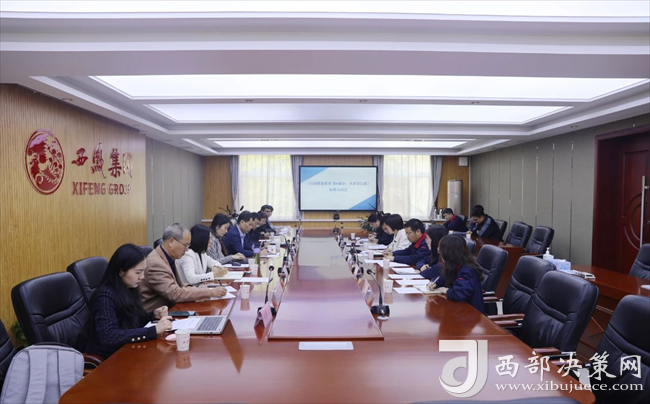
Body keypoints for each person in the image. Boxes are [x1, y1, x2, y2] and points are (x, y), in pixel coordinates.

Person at [87, 244, 173, 358]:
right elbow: (109, 336)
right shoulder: (105, 296)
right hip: (110, 358)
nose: (142, 277)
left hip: (127, 349)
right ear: (121, 271)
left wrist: (153, 315)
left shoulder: (129, 287)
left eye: (143, 271)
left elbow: (130, 321)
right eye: (138, 272)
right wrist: (152, 331)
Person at [140, 223, 227, 311]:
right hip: (160, 314)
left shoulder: (168, 256)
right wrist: (209, 292)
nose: (187, 250)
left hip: (173, 308)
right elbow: (175, 294)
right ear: (171, 241)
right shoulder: (156, 263)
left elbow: (180, 286)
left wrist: (198, 290)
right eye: (185, 245)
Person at [426, 235, 485, 314]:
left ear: (449, 253)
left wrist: (447, 291)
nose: (440, 254)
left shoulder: (467, 270)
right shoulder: (454, 265)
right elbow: (443, 277)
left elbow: (459, 293)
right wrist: (435, 283)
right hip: (458, 309)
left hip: (471, 314)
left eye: (441, 251)